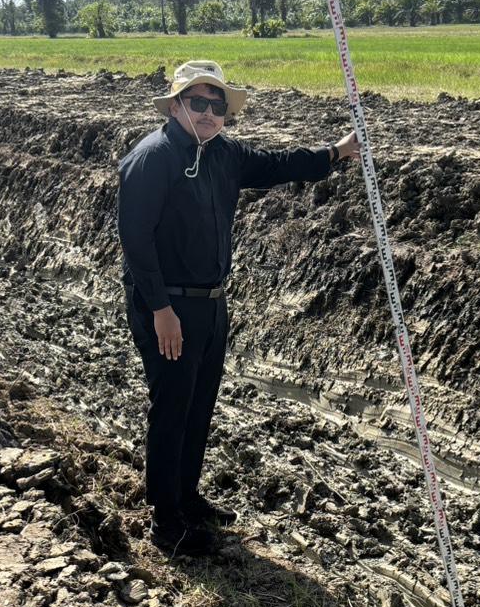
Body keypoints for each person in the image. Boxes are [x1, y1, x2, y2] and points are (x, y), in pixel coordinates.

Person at [118, 59, 359, 556]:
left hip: (211, 303)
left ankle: (187, 497)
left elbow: (276, 166)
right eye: (198, 102)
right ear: (177, 105)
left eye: (217, 106)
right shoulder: (152, 158)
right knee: (172, 408)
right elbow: (136, 242)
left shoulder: (224, 154)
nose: (208, 113)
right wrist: (161, 310)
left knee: (199, 403)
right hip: (169, 307)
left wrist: (334, 154)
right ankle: (167, 522)